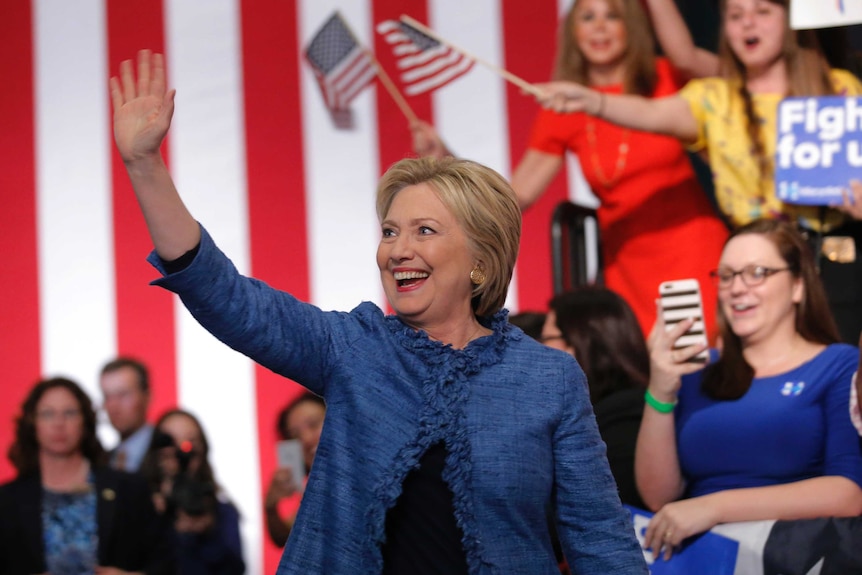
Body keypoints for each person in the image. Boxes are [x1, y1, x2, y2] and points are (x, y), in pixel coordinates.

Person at [110, 50, 648, 574]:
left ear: (481, 263)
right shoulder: (355, 347)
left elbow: (600, 537)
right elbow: (225, 296)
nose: (397, 250)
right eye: (390, 231)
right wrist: (144, 165)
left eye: (424, 231)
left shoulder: (548, 377)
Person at [535, 0, 862, 343]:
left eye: (762, 12)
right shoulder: (713, 99)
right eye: (735, 16)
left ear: (789, 21)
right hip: (755, 270)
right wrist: (591, 101)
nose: (748, 23)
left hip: (832, 262)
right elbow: (650, 113)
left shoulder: (837, 88)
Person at [412, 0, 728, 338]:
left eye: (613, 16)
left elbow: (708, 66)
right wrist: (447, 159)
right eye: (588, 17)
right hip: (625, 268)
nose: (600, 27)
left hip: (693, 250)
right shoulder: (564, 106)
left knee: (701, 362)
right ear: (573, 32)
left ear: (632, 26)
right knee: (638, 372)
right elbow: (516, 195)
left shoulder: (667, 77)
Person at [636, 219, 862, 560]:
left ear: (799, 285)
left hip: (791, 556)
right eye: (726, 275)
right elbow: (659, 498)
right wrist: (660, 391)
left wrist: (715, 507)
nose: (737, 288)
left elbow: (848, 494)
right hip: (700, 558)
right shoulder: (697, 370)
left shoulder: (838, 364)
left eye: (756, 272)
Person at [0, 377, 174, 574]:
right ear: (32, 423)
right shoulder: (7, 501)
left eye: (70, 413)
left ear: (86, 421)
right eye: (48, 414)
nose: (59, 423)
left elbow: (167, 562)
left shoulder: (129, 488)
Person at [541, 287, 648, 509]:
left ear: (580, 342)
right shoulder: (593, 412)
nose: (538, 349)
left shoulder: (625, 417)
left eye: (547, 339)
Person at [140, 409, 245, 575]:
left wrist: (205, 534)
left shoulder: (222, 513)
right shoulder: (137, 505)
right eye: (168, 442)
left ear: (202, 451)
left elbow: (234, 569)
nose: (179, 452)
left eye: (190, 443)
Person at [264, 392, 326, 547]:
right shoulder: (317, 493)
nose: (305, 439)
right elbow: (284, 538)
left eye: (313, 424)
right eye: (294, 435)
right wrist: (270, 507)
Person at [100, 356, 155, 472]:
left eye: (123, 395)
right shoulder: (101, 460)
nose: (113, 406)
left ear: (147, 396)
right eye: (107, 396)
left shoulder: (166, 451)